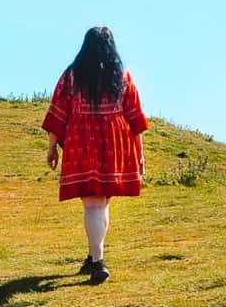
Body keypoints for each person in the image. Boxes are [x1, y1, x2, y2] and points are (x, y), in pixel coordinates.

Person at [41, 27, 148, 285]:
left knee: (93, 204)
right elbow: (135, 117)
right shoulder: (122, 75)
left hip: (82, 141)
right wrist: (140, 154)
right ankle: (93, 256)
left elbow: (59, 112)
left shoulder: (71, 76)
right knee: (102, 203)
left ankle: (98, 261)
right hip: (115, 140)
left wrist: (52, 147)